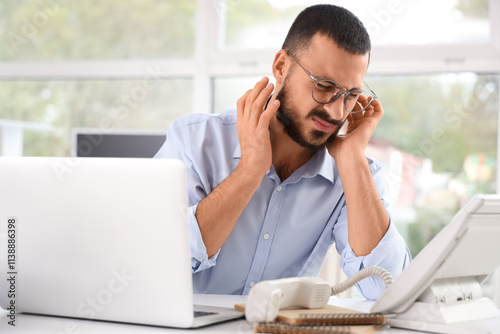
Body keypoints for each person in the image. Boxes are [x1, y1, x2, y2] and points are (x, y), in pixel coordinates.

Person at [155, 4, 411, 300]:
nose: (335, 110)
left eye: (350, 96)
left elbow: (388, 289)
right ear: (280, 67)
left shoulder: (353, 174)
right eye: (325, 86)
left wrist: (352, 157)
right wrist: (250, 170)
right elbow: (158, 259)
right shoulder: (195, 141)